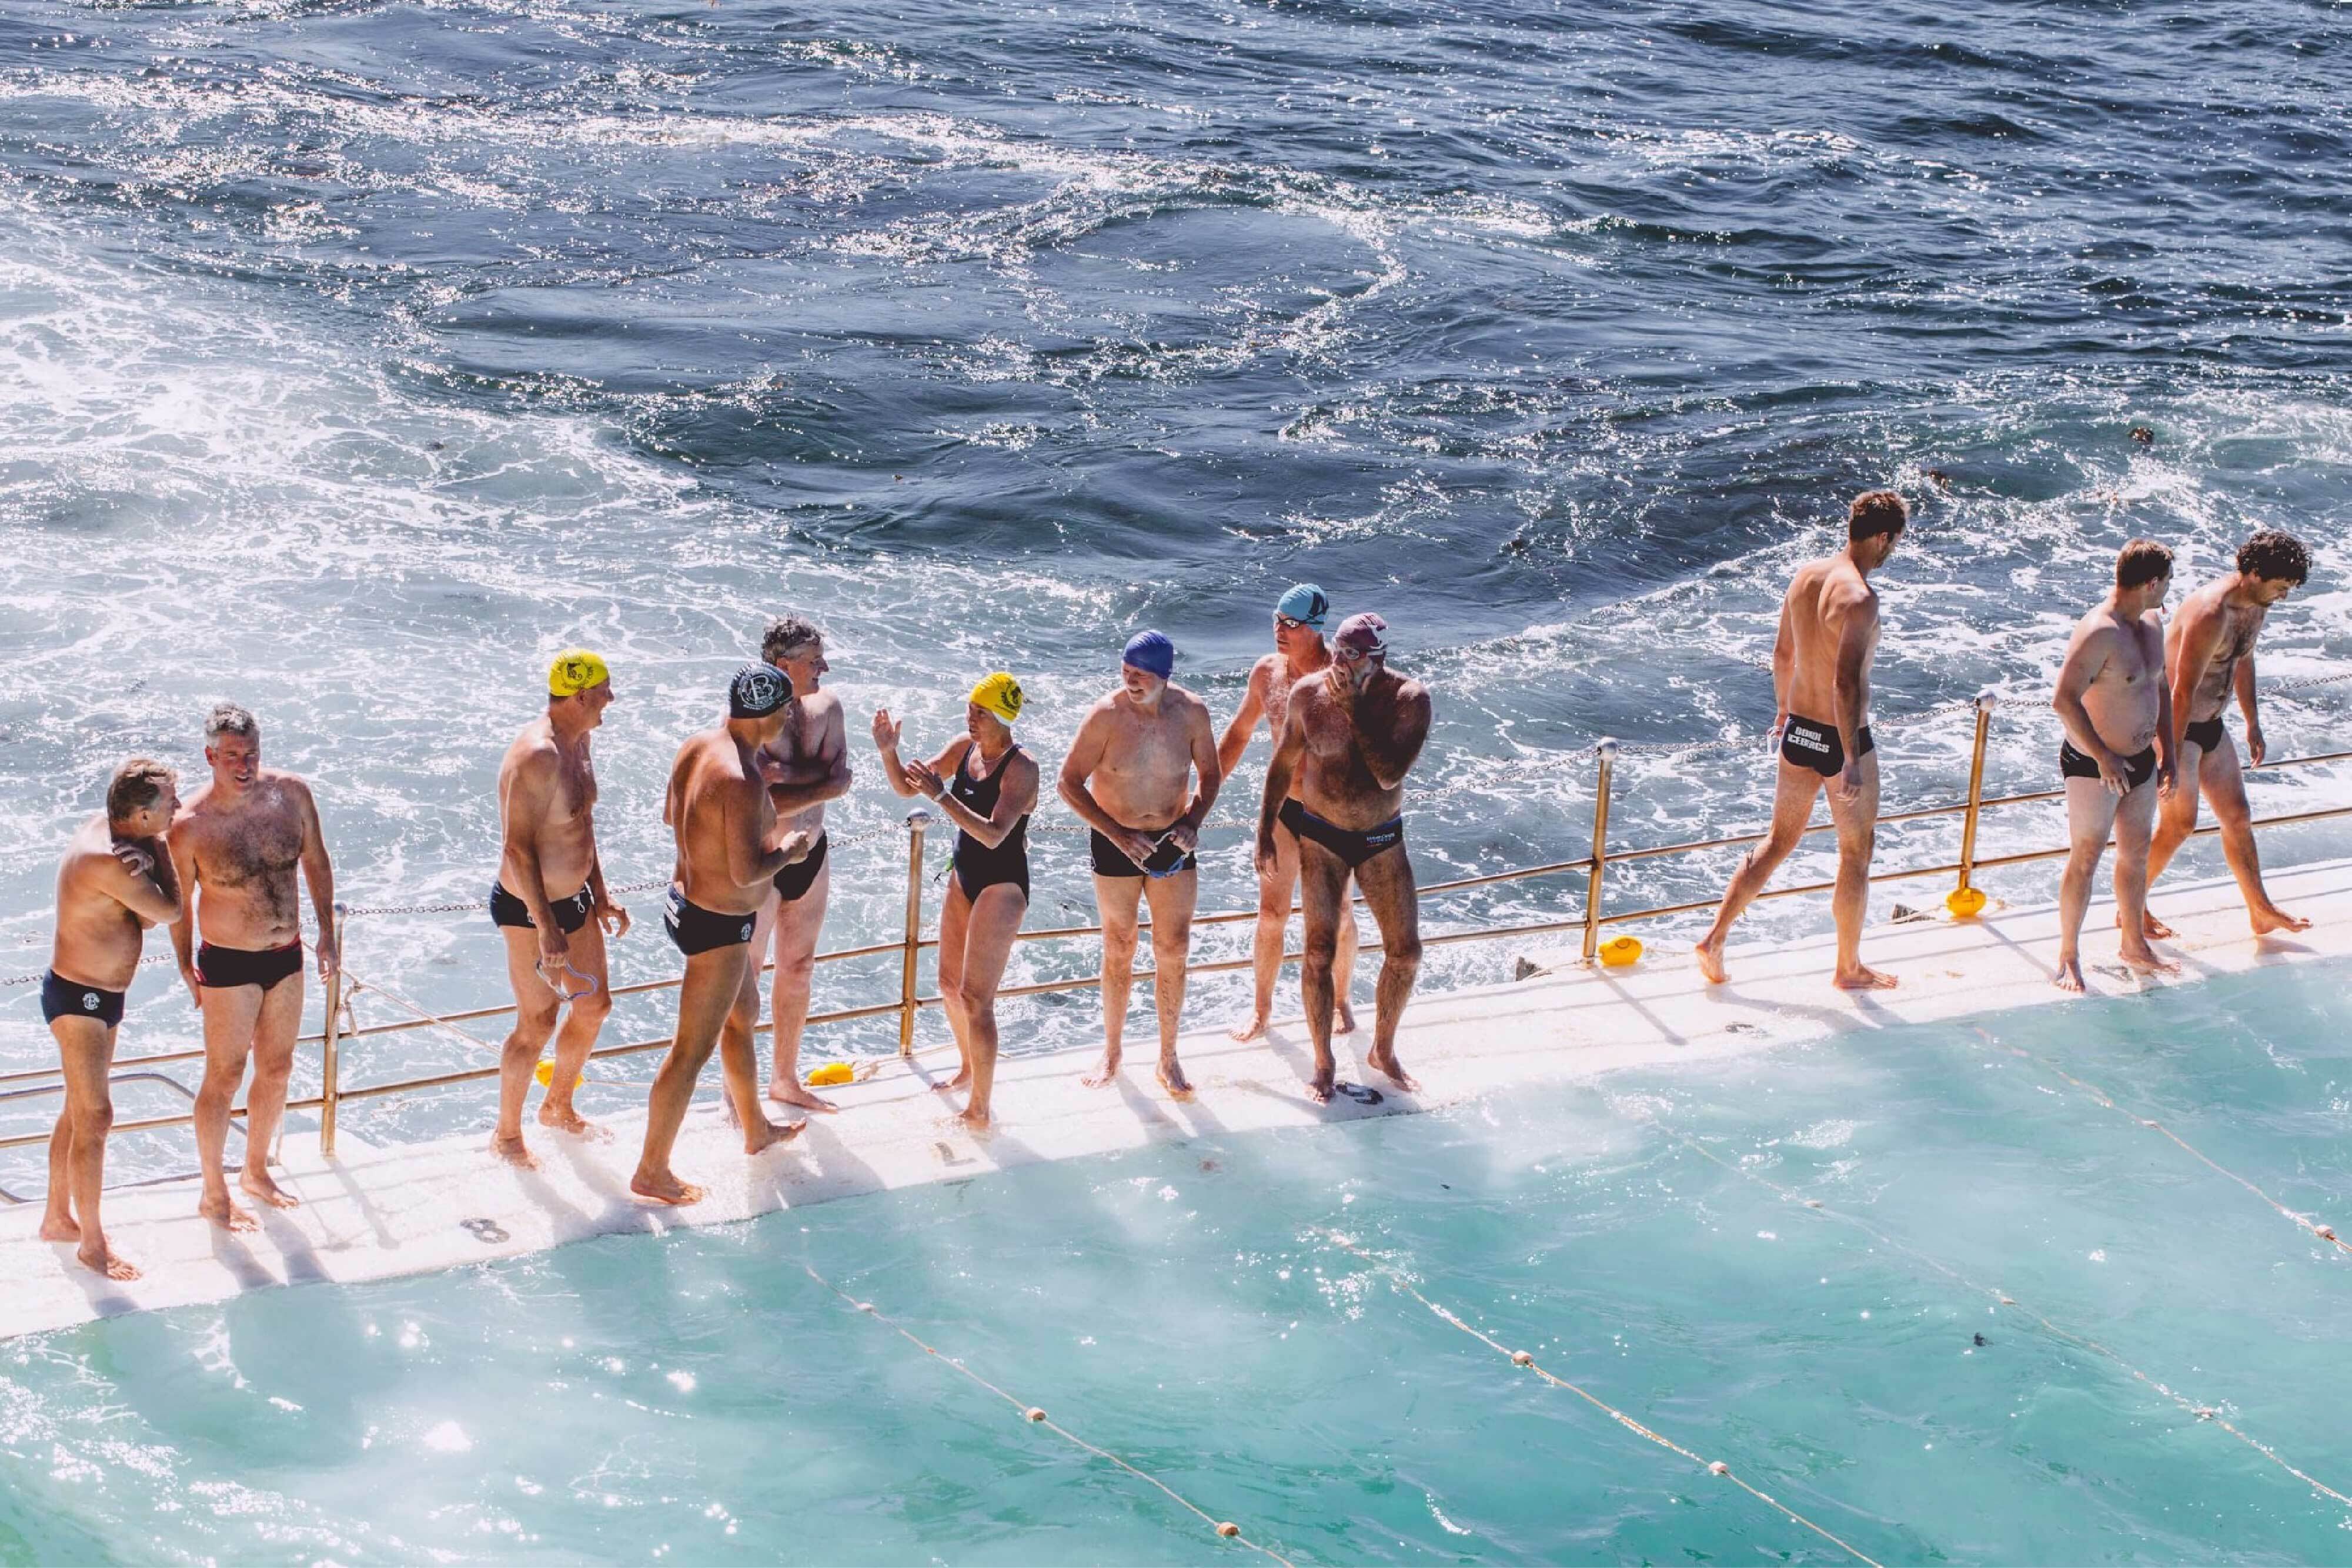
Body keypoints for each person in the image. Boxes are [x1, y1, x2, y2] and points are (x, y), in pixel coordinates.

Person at [1693, 491, 1907, 991]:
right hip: (1839, 737)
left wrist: (1785, 710)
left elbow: (1783, 652)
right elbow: (1846, 683)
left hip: (1799, 732)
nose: (1892, 550)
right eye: (1894, 541)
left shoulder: (1806, 576)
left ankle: (1714, 939)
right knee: (1856, 851)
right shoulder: (1860, 597)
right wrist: (1852, 757)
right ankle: (1848, 967)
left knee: (1777, 841)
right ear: (1881, 537)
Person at [630, 667, 813, 1206]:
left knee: (743, 1013)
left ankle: (755, 1128)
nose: (789, 719)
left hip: (683, 901)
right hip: (718, 926)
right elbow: (746, 872)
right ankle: (652, 1169)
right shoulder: (742, 777)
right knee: (690, 1051)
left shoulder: (697, 747)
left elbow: (673, 816)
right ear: (772, 712)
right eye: (787, 709)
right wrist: (792, 850)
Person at [168, 704, 336, 1231]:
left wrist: (327, 933)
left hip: (287, 955)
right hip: (227, 963)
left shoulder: (292, 795)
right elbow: (181, 903)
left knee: (278, 1067)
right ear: (211, 757)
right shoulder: (189, 825)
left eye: (252, 754)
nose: (244, 765)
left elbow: (317, 861)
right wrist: (183, 964)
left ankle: (256, 1170)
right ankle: (213, 1192)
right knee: (224, 1073)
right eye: (233, 756)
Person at [1257, 612, 1431, 1103]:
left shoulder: (1408, 700)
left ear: (1378, 660)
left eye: (1352, 656)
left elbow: (1388, 775)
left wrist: (1354, 710)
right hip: (1322, 836)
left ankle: (1383, 1049)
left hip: (1380, 838)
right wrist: (1264, 829)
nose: (1338, 662)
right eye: (1336, 650)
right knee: (1317, 951)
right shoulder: (1308, 694)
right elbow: (1283, 763)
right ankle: (1323, 1061)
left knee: (1406, 951)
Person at [1058, 631, 1223, 1100]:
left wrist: (1193, 821)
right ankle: (1111, 1050)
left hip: (1173, 838)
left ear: (1165, 677)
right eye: (1125, 672)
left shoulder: (1191, 712)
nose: (1130, 682)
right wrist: (1115, 832)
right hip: (1116, 838)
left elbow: (1210, 774)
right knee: (1119, 943)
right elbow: (1067, 783)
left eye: (1141, 676)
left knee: (1173, 947)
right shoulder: (1106, 716)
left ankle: (1168, 1055)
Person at [873, 674, 1038, 1132]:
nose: (971, 717)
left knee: (976, 997)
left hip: (1002, 884)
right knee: (948, 984)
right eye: (970, 708)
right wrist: (889, 750)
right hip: (964, 875)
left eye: (980, 712)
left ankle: (981, 1107)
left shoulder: (1022, 768)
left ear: (1003, 718)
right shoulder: (963, 748)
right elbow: (909, 787)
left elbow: (992, 833)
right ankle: (967, 1067)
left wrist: (941, 795)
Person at [39, 760, 182, 1280]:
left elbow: (144, 913)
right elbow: (170, 912)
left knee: (79, 1109)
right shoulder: (110, 858)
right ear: (142, 815)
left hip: (101, 996)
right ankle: (93, 1244)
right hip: (81, 998)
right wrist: (161, 851)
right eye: (171, 804)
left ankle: (58, 1215)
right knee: (96, 1116)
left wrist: (149, 859)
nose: (180, 808)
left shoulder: (124, 841)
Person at [487, 650, 628, 1167]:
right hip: (530, 909)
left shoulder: (579, 741)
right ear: (582, 695)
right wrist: (547, 928)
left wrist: (602, 890)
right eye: (606, 690)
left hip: (577, 900)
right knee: (537, 1023)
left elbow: (580, 823)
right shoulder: (537, 755)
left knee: (594, 1007)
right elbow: (517, 848)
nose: (611, 699)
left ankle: (558, 1103)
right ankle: (506, 1134)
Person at [2143, 530, 2315, 936]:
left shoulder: (2257, 604)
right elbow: (2181, 690)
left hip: (2212, 726)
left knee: (2237, 815)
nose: (2284, 596)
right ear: (2255, 573)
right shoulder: (2212, 612)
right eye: (2281, 587)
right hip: (2176, 726)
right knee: (2179, 825)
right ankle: (2131, 907)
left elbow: (2243, 659)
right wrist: (2168, 754)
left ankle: (2260, 909)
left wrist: (2252, 721)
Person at [1217, 584, 1359, 1043]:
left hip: (1332, 814)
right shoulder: (1267, 673)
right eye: (1276, 619)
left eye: (1290, 623)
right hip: (1285, 810)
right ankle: (1261, 1009)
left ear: (1314, 629)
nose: (1279, 629)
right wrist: (1203, 794)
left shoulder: (1341, 675)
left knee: (1337, 913)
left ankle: (1341, 1002)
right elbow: (1239, 733)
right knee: (1271, 913)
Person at [2050, 541, 2180, 991]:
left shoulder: (2153, 621)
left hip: (2143, 759)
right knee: (2086, 856)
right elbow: (2063, 701)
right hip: (2093, 763)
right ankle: (2068, 953)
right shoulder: (2099, 631)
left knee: (2137, 851)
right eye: (2166, 581)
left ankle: (2133, 942)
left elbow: (2159, 686)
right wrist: (2104, 756)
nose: (2168, 589)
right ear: (2151, 582)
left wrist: (2170, 752)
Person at [748, 617, 853, 1113]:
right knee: (746, 974)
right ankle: (738, 1091)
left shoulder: (828, 706)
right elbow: (758, 791)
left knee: (799, 968)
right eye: (814, 661)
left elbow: (842, 779)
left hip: (812, 852)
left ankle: (785, 1079)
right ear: (783, 666)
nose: (824, 668)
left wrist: (786, 776)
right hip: (762, 858)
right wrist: (813, 779)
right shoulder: (751, 713)